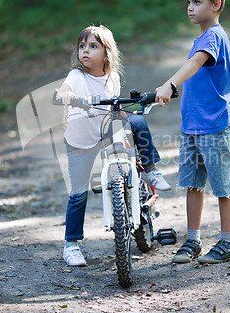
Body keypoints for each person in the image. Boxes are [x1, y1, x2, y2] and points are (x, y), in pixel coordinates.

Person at [57, 25, 171, 267]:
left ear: (106, 54)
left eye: (93, 46)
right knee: (78, 193)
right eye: (82, 46)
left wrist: (133, 113)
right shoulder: (77, 77)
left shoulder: (113, 78)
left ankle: (149, 171)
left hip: (106, 132)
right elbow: (66, 89)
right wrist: (65, 95)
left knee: (137, 122)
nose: (85, 51)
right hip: (80, 141)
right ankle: (71, 244)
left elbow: (114, 110)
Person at [155, 0, 230, 264]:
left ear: (216, 4)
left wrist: (170, 84)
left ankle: (228, 242)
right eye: (188, 2)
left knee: (222, 186)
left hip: (214, 126)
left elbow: (194, 63)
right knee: (193, 184)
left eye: (197, 2)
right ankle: (193, 241)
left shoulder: (214, 36)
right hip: (192, 126)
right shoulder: (202, 37)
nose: (190, 7)